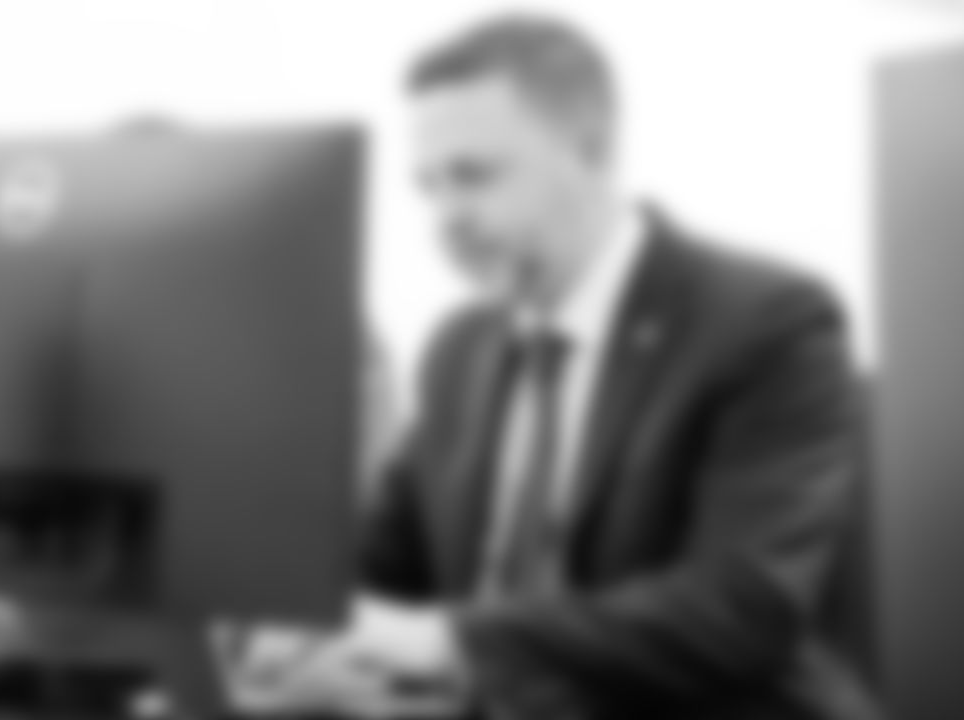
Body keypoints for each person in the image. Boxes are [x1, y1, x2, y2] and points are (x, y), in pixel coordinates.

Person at [219, 12, 883, 720]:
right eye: (427, 185)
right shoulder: (459, 346)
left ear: (592, 150)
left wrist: (444, 642)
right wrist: (291, 637)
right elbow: (381, 566)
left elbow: (740, 609)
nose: (444, 217)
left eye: (474, 175)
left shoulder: (764, 320)